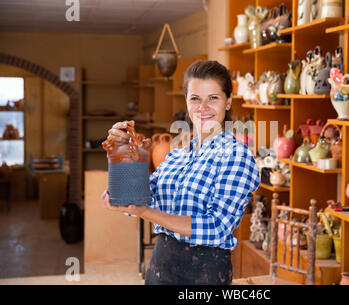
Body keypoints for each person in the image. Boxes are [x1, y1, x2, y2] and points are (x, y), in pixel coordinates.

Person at [101, 60, 260, 285]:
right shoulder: (178, 155)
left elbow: (216, 228)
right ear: (187, 102)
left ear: (228, 102)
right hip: (161, 265)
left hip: (204, 273)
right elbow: (139, 197)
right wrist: (125, 149)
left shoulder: (236, 156)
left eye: (213, 98)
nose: (202, 107)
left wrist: (145, 212)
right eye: (195, 98)